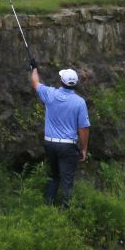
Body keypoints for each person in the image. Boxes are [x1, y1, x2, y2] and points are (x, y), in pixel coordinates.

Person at [30, 60, 90, 207]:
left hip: (50, 144)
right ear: (75, 84)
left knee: (54, 176)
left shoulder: (50, 94)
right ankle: (66, 212)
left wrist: (34, 69)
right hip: (67, 147)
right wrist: (83, 148)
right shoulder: (79, 102)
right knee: (67, 181)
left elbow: (35, 83)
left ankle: (47, 207)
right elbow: (83, 129)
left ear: (61, 81)